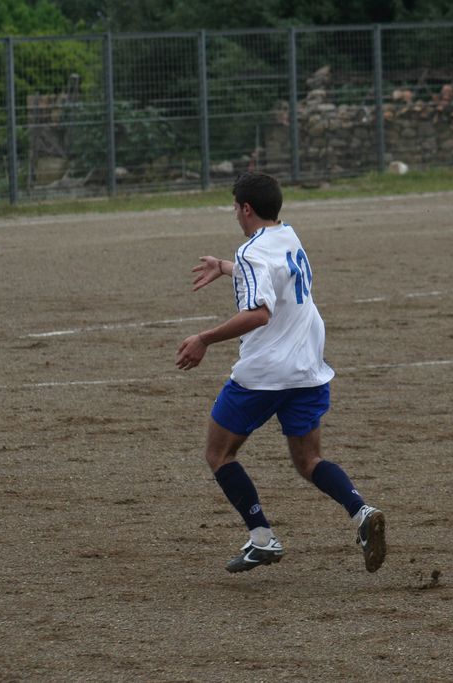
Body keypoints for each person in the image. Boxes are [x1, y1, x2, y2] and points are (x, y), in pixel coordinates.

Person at [175, 171, 387, 574]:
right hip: (307, 367)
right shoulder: (289, 235)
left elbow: (259, 312)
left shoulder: (250, 251)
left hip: (265, 372)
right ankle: (361, 512)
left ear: (246, 208)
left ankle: (262, 538)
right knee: (309, 460)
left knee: (218, 454)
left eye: (235, 207)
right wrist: (225, 266)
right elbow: (273, 273)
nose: (234, 214)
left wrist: (204, 338)